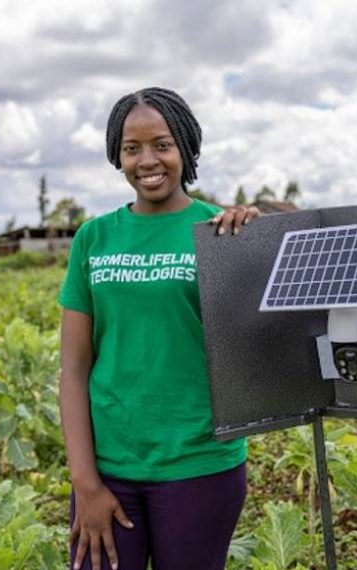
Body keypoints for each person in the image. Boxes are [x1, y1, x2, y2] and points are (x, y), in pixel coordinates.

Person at [58, 87, 259, 570]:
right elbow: (73, 368)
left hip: (199, 465)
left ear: (185, 147)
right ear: (117, 155)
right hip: (109, 470)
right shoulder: (94, 238)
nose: (148, 160)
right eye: (132, 148)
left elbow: (270, 336)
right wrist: (86, 483)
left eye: (162, 144)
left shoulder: (221, 231)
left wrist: (259, 236)